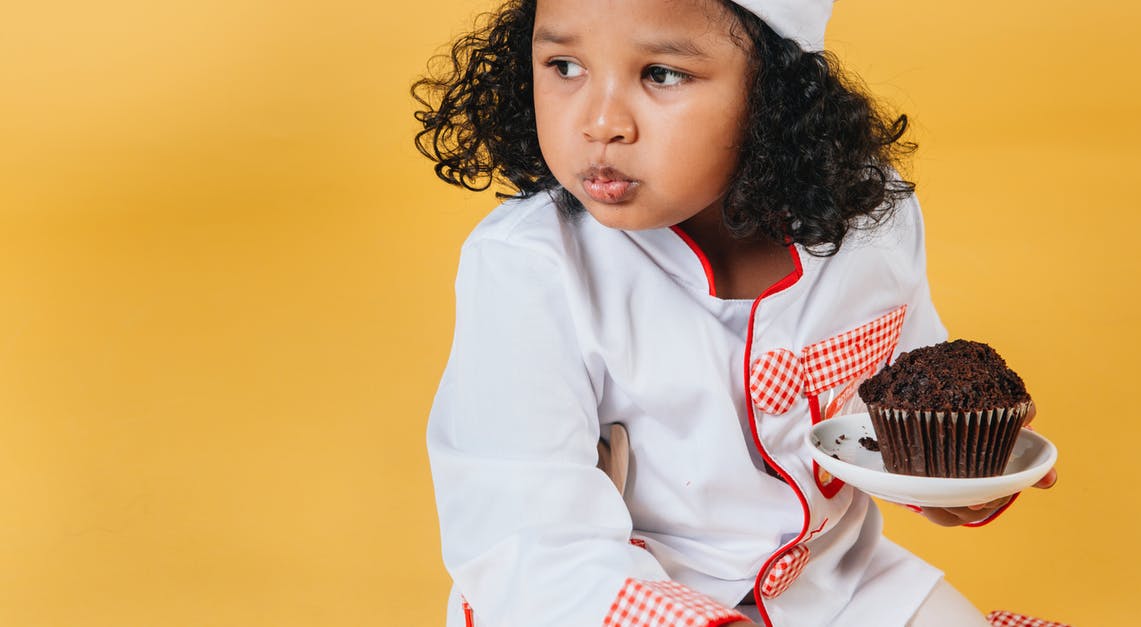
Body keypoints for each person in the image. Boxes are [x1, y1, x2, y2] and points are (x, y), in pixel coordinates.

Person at [414, 1, 1056, 625]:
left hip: (835, 589)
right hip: (601, 596)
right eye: (564, 66)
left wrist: (956, 486)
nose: (600, 121)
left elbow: (901, 419)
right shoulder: (529, 265)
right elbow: (525, 537)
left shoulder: (871, 218)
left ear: (776, 91)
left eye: (661, 74)